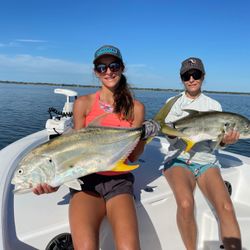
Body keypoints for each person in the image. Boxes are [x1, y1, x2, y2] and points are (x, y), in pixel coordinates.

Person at [33, 45, 159, 250]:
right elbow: (74, 152)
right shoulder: (83, 103)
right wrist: (54, 180)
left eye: (114, 66)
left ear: (122, 68)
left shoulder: (136, 108)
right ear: (96, 72)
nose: (108, 71)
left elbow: (133, 156)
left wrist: (145, 136)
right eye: (102, 67)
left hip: (119, 181)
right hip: (87, 183)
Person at [163, 57, 242, 250]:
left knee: (227, 207)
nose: (191, 79)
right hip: (178, 159)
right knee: (185, 203)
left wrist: (225, 141)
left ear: (203, 76)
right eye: (186, 75)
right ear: (181, 78)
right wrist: (174, 134)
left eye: (196, 74)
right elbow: (169, 138)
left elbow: (217, 142)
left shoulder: (214, 105)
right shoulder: (172, 103)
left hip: (206, 161)